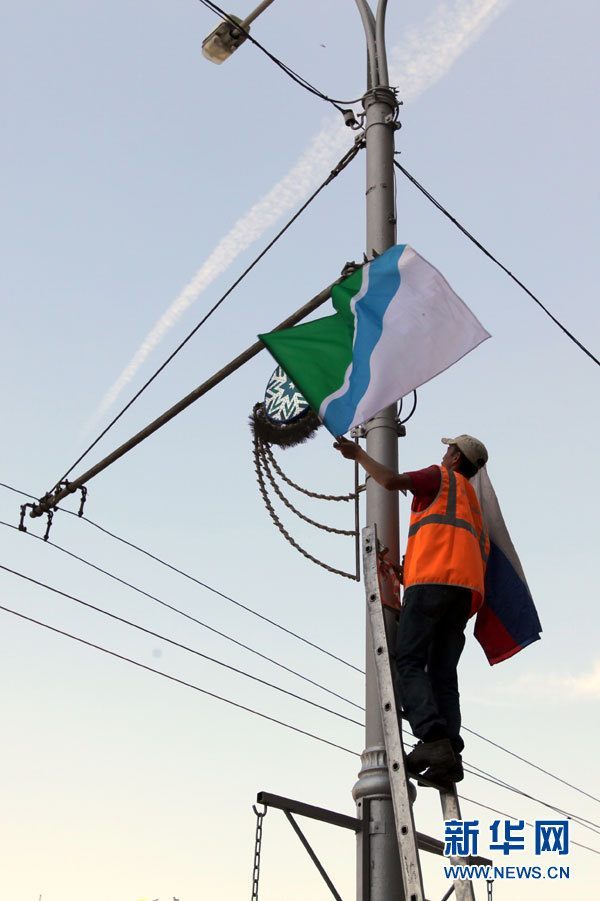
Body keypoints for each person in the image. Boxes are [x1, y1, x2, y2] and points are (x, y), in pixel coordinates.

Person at [333, 433, 489, 787]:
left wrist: (358, 453)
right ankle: (450, 753)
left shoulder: (440, 477)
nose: (443, 453)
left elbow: (389, 481)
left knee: (408, 660)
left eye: (448, 449)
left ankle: (432, 740)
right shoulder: (473, 505)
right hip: (462, 595)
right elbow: (455, 545)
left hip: (432, 583)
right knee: (444, 673)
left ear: (454, 457)